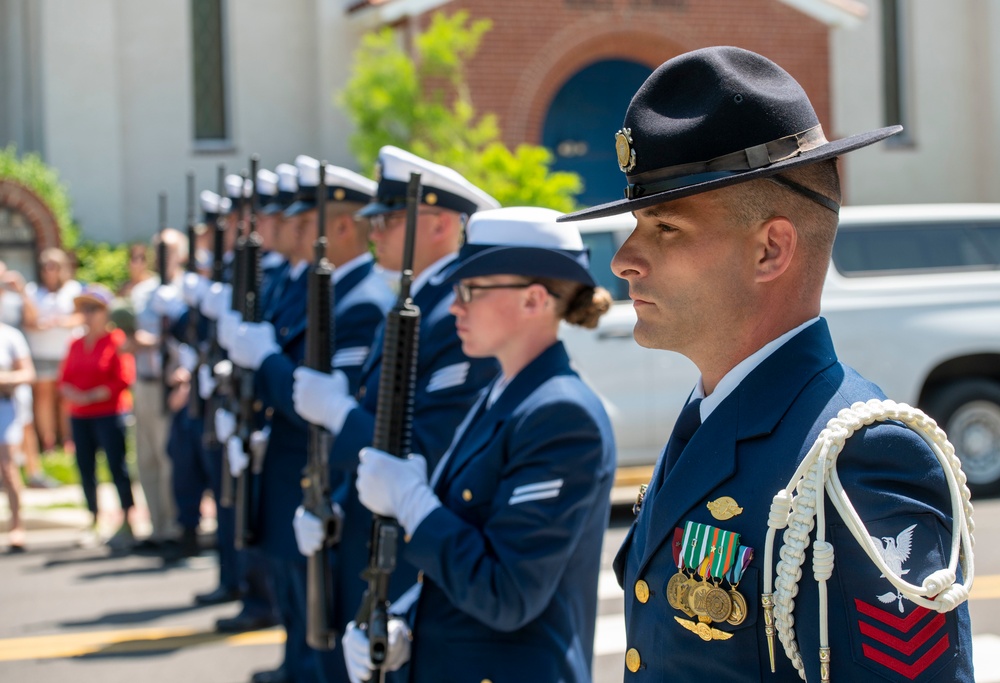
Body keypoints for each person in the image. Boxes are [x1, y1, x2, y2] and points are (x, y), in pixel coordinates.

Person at [558, 46, 974, 681]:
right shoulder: (712, 418)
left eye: (665, 228)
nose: (624, 260)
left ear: (770, 250)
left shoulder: (859, 460)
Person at [338, 207, 617, 683]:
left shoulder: (561, 416)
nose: (453, 307)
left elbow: (507, 593)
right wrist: (405, 620)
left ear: (533, 300)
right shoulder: (505, 394)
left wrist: (412, 504)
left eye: (470, 290)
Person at [291, 147, 501, 682]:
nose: (374, 231)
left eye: (387, 219)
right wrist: (332, 507)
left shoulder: (454, 314)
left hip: (409, 543)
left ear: (440, 225)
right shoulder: (413, 304)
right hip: (373, 526)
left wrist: (338, 413)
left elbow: (424, 447)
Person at [228, 157, 394, 683]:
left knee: (318, 610)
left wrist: (268, 363)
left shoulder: (361, 301)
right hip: (290, 465)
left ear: (341, 227)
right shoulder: (314, 285)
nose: (293, 232)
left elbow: (320, 401)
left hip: (317, 469)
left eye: (305, 222)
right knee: (297, 597)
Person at [58, 283, 137, 550]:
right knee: (85, 468)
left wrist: (92, 395)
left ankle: (128, 519)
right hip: (80, 416)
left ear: (106, 312)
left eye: (94, 308)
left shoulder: (115, 341)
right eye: (85, 309)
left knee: (117, 466)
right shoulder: (76, 343)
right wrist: (75, 395)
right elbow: (64, 379)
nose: (88, 314)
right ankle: (93, 518)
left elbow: (123, 378)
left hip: (108, 413)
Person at [131, 228, 189, 553]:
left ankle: (176, 526)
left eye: (169, 251)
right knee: (147, 457)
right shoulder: (143, 292)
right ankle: (157, 526)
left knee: (171, 458)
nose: (162, 257)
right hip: (146, 380)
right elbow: (131, 335)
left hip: (175, 383)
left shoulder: (187, 289)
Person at [22, 248, 83, 455]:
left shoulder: (73, 289)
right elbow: (28, 320)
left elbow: (81, 317)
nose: (49, 271)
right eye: (46, 267)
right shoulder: (32, 290)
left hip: (67, 352)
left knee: (66, 397)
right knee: (44, 398)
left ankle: (68, 439)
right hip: (41, 351)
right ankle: (48, 442)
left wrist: (61, 322)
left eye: (54, 266)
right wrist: (41, 324)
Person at [0, 320, 36, 553]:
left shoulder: (9, 335)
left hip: (5, 406)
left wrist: (5, 378)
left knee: (7, 466)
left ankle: (17, 526)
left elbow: (28, 373)